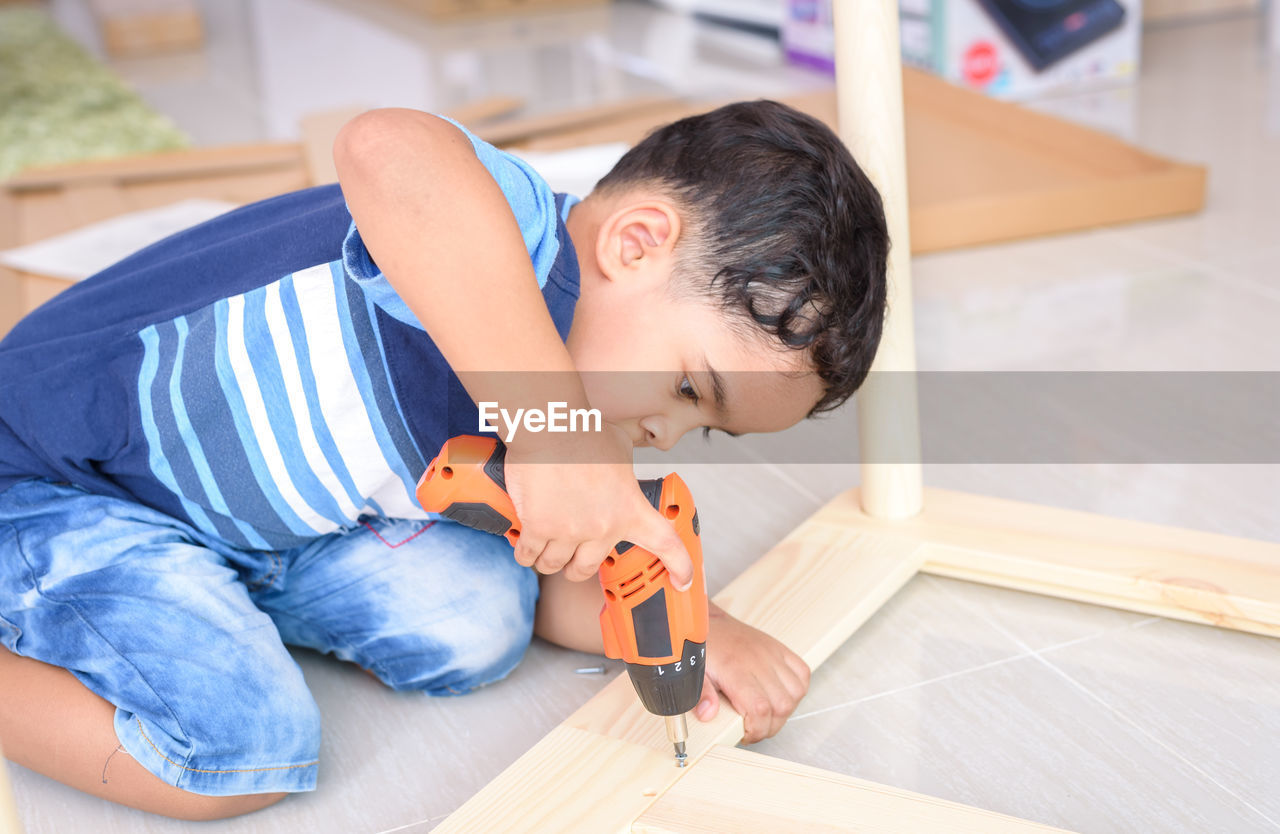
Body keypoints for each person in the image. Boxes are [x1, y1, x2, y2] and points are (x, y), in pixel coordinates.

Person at [0, 99, 887, 820]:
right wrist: (552, 429)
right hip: (53, 484)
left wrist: (698, 632)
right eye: (691, 389)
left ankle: (202, 594)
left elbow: (565, 574)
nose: (665, 433)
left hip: (253, 527)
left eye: (700, 428)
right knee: (235, 751)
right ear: (635, 242)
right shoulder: (512, 239)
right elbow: (389, 148)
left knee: (478, 619)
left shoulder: (567, 413)